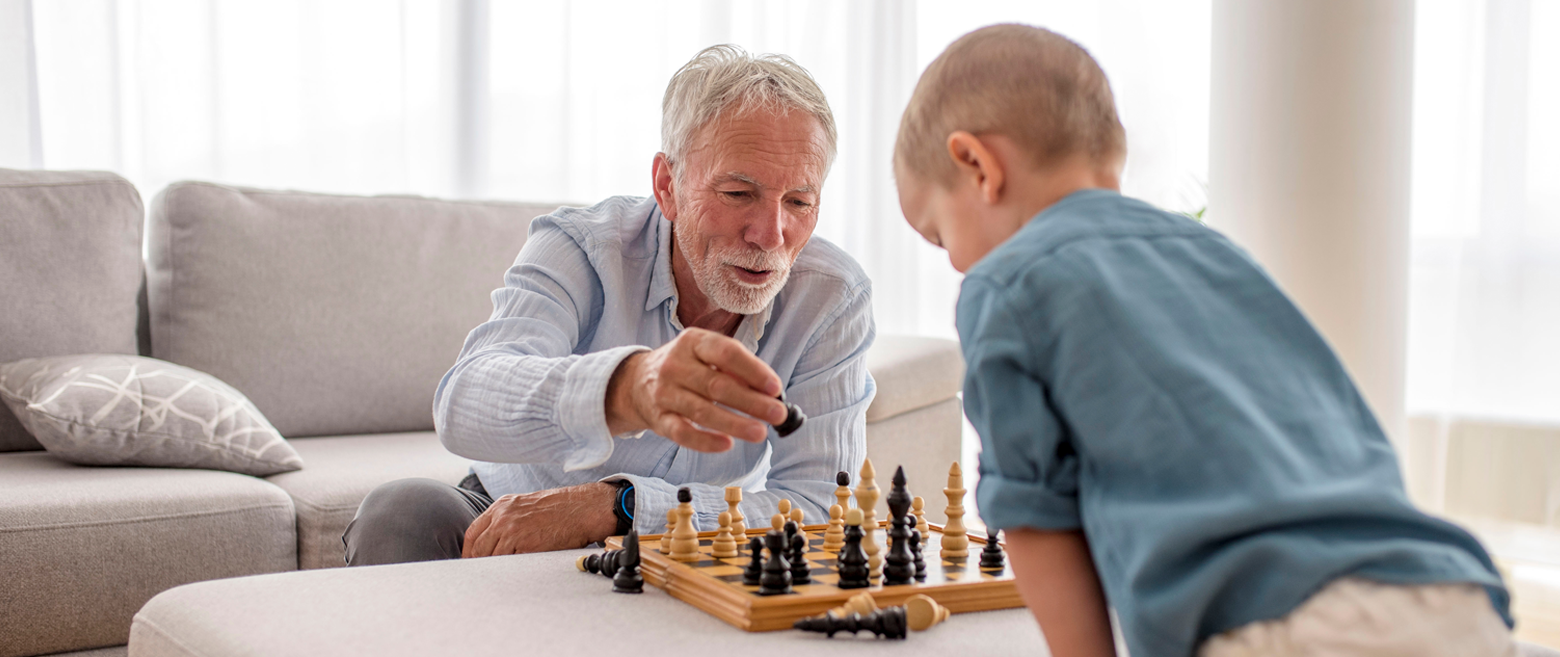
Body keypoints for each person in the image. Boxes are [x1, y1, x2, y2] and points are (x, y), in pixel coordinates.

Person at [893, 24, 1513, 657]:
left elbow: (1033, 516)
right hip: (1450, 594)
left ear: (976, 165)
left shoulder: (1006, 283)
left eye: (940, 236)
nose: (956, 265)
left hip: (1282, 626)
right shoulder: (1215, 252)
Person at [342, 44, 874, 565]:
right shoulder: (582, 245)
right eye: (738, 194)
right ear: (668, 185)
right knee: (401, 513)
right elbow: (464, 401)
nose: (770, 234)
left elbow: (822, 504)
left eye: (800, 202)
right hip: (509, 514)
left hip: (692, 543)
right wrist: (626, 388)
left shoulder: (832, 295)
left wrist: (619, 505)